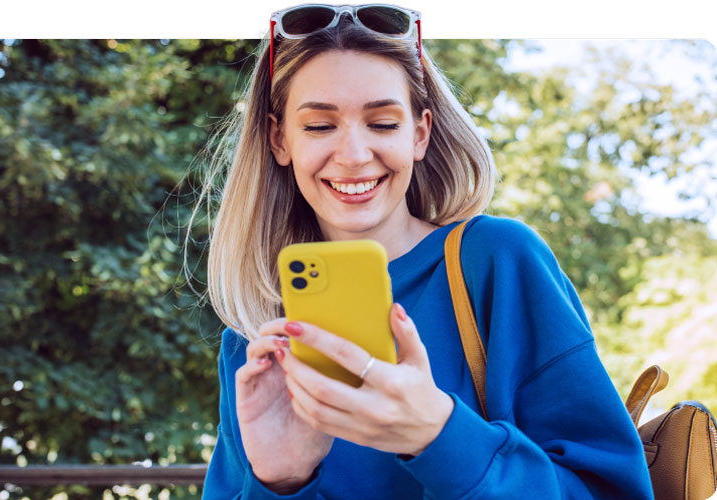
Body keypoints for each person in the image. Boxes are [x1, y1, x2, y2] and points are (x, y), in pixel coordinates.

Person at [195, 4, 653, 498]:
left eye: (383, 123)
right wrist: (280, 482)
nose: (353, 155)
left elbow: (613, 491)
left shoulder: (497, 260)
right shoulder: (254, 336)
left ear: (420, 133)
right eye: (320, 126)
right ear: (278, 139)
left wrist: (437, 434)